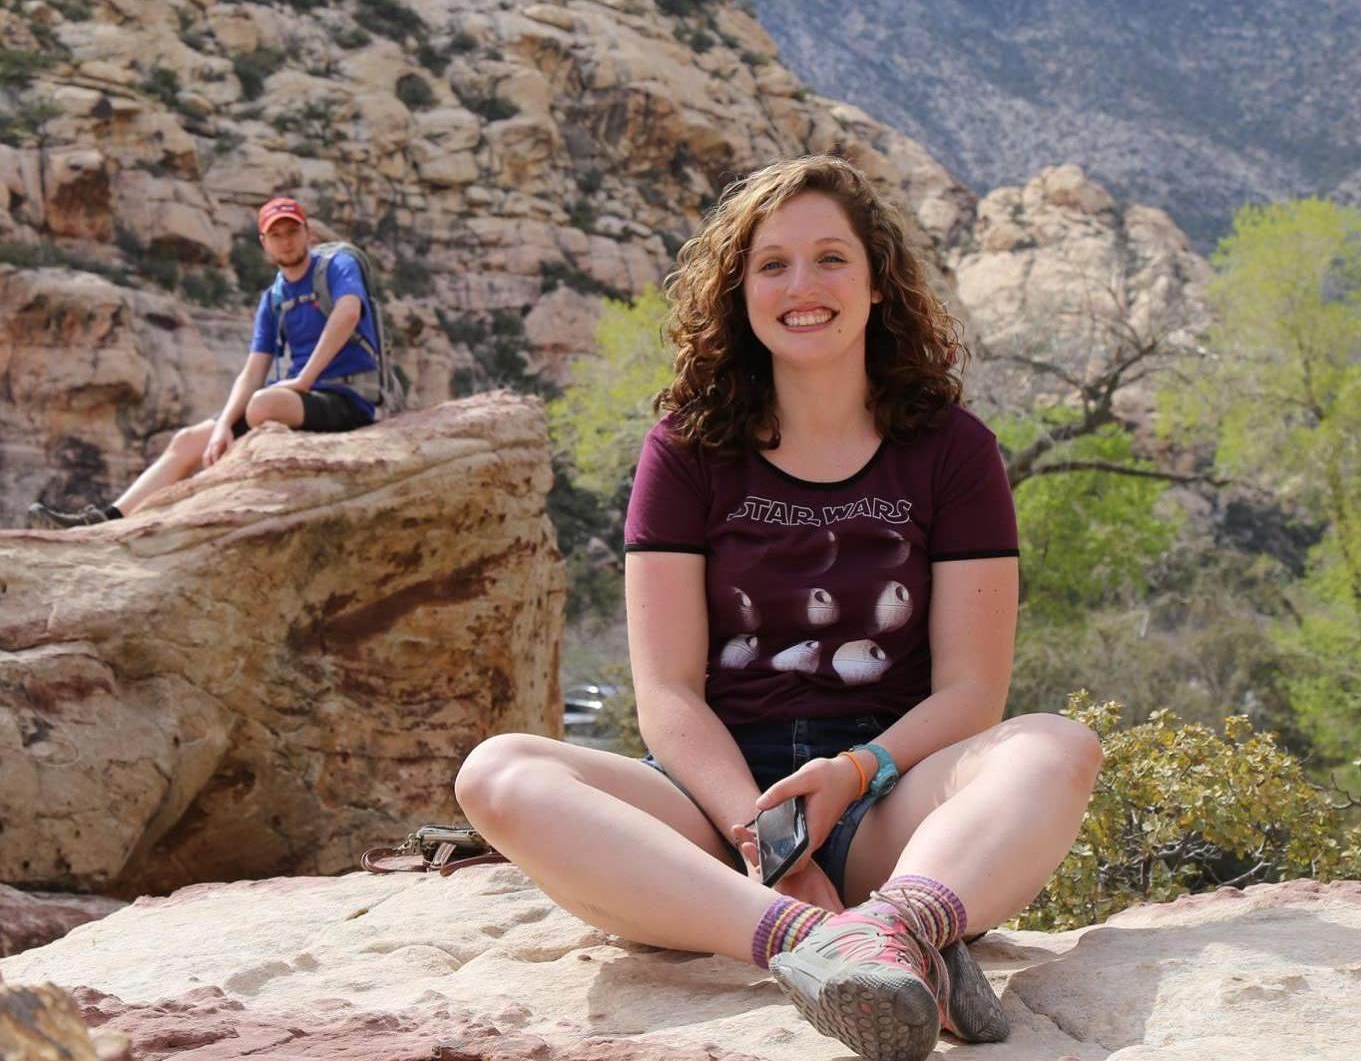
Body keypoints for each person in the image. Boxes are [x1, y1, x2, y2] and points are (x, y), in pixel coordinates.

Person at [454, 152, 1103, 1061]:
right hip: (711, 826)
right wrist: (765, 838)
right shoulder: (686, 449)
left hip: (884, 807)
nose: (803, 285)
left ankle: (899, 920)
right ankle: (828, 944)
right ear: (740, 291)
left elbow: (969, 694)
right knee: (497, 771)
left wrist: (853, 772)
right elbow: (670, 693)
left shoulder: (952, 451)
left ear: (878, 283)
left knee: (1055, 744)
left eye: (831, 258)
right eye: (772, 264)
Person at [27, 196, 381, 529]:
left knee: (262, 404)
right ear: (264, 243)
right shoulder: (273, 297)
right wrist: (224, 425)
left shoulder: (336, 266)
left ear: (308, 233)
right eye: (276, 235)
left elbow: (348, 312)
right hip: (295, 399)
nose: (286, 241)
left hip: (348, 397)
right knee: (187, 440)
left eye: (293, 231)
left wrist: (303, 380)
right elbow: (253, 369)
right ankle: (106, 520)